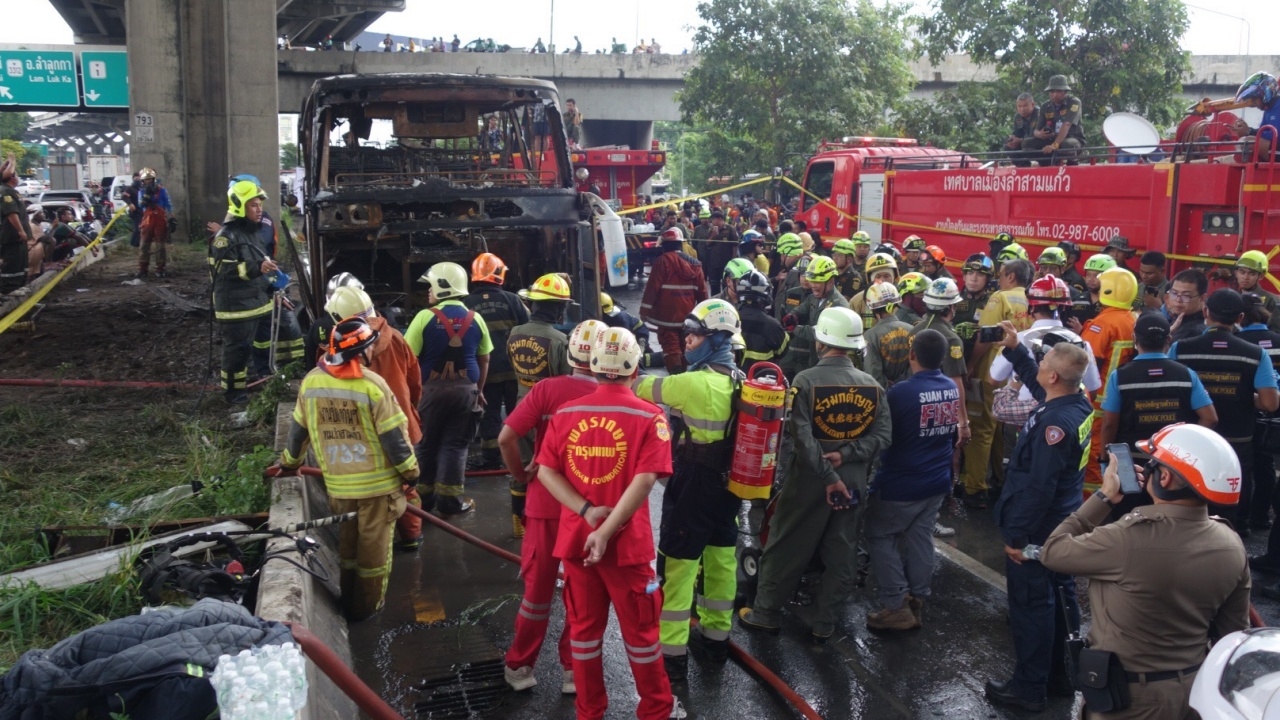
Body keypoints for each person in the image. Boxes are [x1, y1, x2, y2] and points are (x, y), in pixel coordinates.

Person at [1039, 423, 1252, 720]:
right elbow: (1232, 634)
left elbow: (1052, 551)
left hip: (1129, 699)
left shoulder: (1126, 538)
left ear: (1164, 477)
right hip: (1195, 693)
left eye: (1151, 465)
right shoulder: (1231, 543)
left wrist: (1103, 497)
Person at [533, 327, 687, 720]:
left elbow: (546, 472)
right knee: (642, 636)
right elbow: (647, 478)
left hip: (577, 545)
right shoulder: (651, 418)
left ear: (593, 366)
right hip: (628, 550)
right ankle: (655, 710)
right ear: (635, 367)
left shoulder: (567, 414)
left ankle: (590, 711)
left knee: (583, 634)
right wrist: (606, 529)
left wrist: (587, 515)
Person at [739, 307, 892, 642]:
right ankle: (825, 623)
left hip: (811, 481)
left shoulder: (806, 381)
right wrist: (847, 455)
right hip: (853, 480)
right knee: (842, 549)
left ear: (821, 341)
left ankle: (765, 613)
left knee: (786, 543)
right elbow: (882, 437)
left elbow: (803, 438)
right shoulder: (871, 385)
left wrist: (826, 474)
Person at [276, 317, 419, 620]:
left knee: (349, 552)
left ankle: (348, 602)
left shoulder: (312, 381)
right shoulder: (372, 385)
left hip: (339, 489)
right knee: (375, 558)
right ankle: (367, 611)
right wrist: (411, 474)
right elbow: (395, 439)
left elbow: (298, 432)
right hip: (378, 491)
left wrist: (289, 465)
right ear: (362, 352)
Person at [984, 323, 1093, 713]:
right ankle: (1062, 675)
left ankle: (1029, 688)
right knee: (1062, 600)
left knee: (1032, 608)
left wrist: (1016, 539)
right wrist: (1016, 350)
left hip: (1038, 530)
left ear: (1053, 376)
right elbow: (1038, 381)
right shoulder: (1075, 403)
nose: (1039, 364)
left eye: (1043, 359)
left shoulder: (1053, 425)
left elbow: (1037, 488)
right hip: (1061, 524)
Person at [635, 300, 742, 680]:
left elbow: (640, 385)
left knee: (679, 565)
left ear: (714, 339)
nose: (688, 343)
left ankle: (672, 654)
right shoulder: (741, 380)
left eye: (695, 336)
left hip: (693, 481)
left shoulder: (693, 383)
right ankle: (716, 640)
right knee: (721, 559)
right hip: (729, 485)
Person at [500, 320, 606, 697]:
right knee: (582, 592)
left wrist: (522, 475)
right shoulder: (614, 397)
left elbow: (506, 437)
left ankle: (521, 666)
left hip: (546, 503)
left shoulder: (547, 390)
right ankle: (573, 672)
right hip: (588, 510)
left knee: (537, 592)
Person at [865, 329, 961, 630]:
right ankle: (918, 597)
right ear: (943, 358)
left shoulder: (901, 393)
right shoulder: (949, 387)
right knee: (920, 537)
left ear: (911, 355)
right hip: (936, 480)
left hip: (902, 483)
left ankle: (896, 605)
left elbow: (881, 436)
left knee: (880, 535)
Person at [324, 285, 426, 551]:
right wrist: (410, 411)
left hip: (358, 434)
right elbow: (415, 381)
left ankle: (370, 543)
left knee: (364, 493)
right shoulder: (395, 338)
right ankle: (412, 537)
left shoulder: (334, 352)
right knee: (406, 486)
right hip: (401, 425)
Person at [1169, 289, 1280, 532]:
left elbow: (1172, 393)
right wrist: (1241, 395)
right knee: (1236, 487)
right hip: (1238, 437)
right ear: (1240, 317)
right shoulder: (1256, 354)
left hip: (1193, 437)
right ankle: (1236, 532)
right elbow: (1270, 403)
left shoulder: (1180, 349)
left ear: (1206, 312)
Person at [405, 262, 493, 516]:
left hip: (429, 393)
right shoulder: (476, 319)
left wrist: (412, 394)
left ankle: (421, 502)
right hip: (466, 393)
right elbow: (484, 358)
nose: (428, 292)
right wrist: (479, 389)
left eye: (430, 287)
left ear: (442, 288)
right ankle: (450, 503)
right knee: (455, 446)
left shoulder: (423, 317)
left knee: (425, 444)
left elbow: (408, 358)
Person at [961, 258, 1033, 507]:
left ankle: (975, 487)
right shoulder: (1028, 298)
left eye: (1001, 275)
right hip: (1018, 372)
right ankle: (999, 479)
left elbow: (985, 336)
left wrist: (970, 365)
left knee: (981, 428)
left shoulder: (999, 298)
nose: (997, 279)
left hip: (992, 369)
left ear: (1011, 276)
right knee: (999, 427)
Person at [209, 181, 276, 404]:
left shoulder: (254, 234)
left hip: (257, 303)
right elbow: (225, 272)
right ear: (240, 207)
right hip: (236, 309)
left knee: (265, 345)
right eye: (254, 206)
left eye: (260, 205)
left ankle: (268, 380)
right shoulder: (225, 238)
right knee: (237, 354)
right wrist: (257, 268)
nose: (260, 210)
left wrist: (273, 287)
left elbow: (262, 265)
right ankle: (234, 396)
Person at [463, 253, 529, 471]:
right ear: (500, 275)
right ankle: (522, 455)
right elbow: (526, 330)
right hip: (514, 369)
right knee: (517, 413)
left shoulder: (467, 304)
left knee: (489, 414)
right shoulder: (512, 300)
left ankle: (491, 458)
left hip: (485, 372)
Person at [1080, 266, 1138, 499]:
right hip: (1120, 402)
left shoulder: (1102, 324)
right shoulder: (1132, 319)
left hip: (1098, 403)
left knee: (1094, 454)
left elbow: (1085, 365)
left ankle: (1092, 506)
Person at [1237, 295, 1280, 535]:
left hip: (1246, 413)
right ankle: (1261, 516)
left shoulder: (1238, 341)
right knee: (1266, 467)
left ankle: (1240, 521)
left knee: (1244, 468)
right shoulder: (1278, 340)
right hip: (1275, 417)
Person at [641, 227, 708, 374]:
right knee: (686, 345)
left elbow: (652, 289)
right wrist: (705, 316)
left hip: (666, 318)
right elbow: (702, 292)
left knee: (671, 347)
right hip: (687, 317)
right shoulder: (695, 264)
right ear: (681, 244)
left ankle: (676, 374)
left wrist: (644, 312)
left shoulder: (662, 261)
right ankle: (684, 371)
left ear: (664, 245)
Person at [784, 256, 852, 372]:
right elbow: (800, 310)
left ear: (830, 281)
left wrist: (795, 328)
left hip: (830, 365)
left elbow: (820, 332)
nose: (813, 285)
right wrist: (792, 317)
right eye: (812, 281)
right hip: (814, 361)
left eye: (818, 282)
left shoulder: (839, 305)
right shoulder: (814, 298)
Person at [1021, 75, 1085, 164]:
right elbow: (1036, 131)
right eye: (1052, 91)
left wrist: (1055, 145)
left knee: (1068, 144)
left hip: (1071, 139)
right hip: (1050, 140)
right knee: (1027, 143)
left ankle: (1072, 164)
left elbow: (1067, 124)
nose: (1054, 94)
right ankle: (1046, 164)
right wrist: (1041, 135)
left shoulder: (1074, 102)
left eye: (1058, 91)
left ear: (1065, 92)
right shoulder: (1045, 106)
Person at [734, 270, 788, 373]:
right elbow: (782, 352)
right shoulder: (773, 325)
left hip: (734, 382)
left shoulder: (730, 319)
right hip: (761, 384)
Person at [861, 282, 913, 389]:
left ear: (872, 308)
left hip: (883, 396)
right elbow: (914, 367)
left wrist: (889, 387)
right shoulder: (912, 330)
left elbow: (873, 374)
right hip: (908, 390)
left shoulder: (870, 336)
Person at [0, 161, 32, 293]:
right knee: (13, 264)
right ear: (13, 178)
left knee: (21, 264)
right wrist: (20, 231)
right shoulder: (6, 192)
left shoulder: (11, 191)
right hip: (13, 237)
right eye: (17, 176)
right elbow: (11, 213)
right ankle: (10, 290)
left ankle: (18, 287)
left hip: (18, 238)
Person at [134, 167, 172, 278]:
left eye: (150, 179)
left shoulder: (162, 191)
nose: (148, 181)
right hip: (147, 220)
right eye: (146, 180)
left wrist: (171, 216)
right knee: (144, 245)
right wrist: (146, 196)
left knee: (160, 245)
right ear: (142, 181)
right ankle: (143, 269)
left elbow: (168, 204)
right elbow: (141, 205)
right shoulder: (141, 192)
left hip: (160, 219)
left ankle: (160, 269)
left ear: (154, 179)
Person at [1232, 250, 1280, 333]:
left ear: (1261, 276)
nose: (1246, 277)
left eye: (1252, 274)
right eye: (1242, 272)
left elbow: (1276, 332)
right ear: (1236, 273)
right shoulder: (1231, 298)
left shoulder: (1271, 301)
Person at [849, 252, 899, 329]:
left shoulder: (901, 299)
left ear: (894, 277)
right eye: (878, 276)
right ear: (870, 279)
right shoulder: (857, 301)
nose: (882, 280)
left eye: (887, 276)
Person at [693, 209, 739, 295]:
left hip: (726, 263)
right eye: (713, 220)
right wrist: (713, 236)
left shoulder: (730, 229)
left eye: (716, 219)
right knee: (714, 287)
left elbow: (735, 245)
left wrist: (732, 260)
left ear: (721, 220)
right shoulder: (710, 230)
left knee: (727, 286)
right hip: (713, 263)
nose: (714, 222)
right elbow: (707, 243)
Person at [601, 292, 652, 364]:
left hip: (639, 333)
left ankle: (660, 358)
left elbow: (626, 339)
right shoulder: (607, 314)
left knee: (635, 359)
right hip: (630, 331)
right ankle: (648, 352)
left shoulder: (620, 319)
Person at [1166, 268, 1208, 342]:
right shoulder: (1179, 319)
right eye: (1174, 293)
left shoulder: (1193, 332)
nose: (1178, 300)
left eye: (1186, 296)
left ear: (1202, 298)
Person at [1006, 92, 1040, 167]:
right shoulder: (1017, 117)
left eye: (1025, 106)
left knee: (1027, 143)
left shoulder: (1039, 114)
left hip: (1037, 142)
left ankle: (1043, 164)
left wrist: (1020, 140)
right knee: (1007, 144)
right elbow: (1016, 132)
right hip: (1023, 142)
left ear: (1033, 104)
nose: (1022, 109)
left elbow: (1036, 135)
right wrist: (1012, 139)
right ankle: (1023, 167)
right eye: (1019, 106)